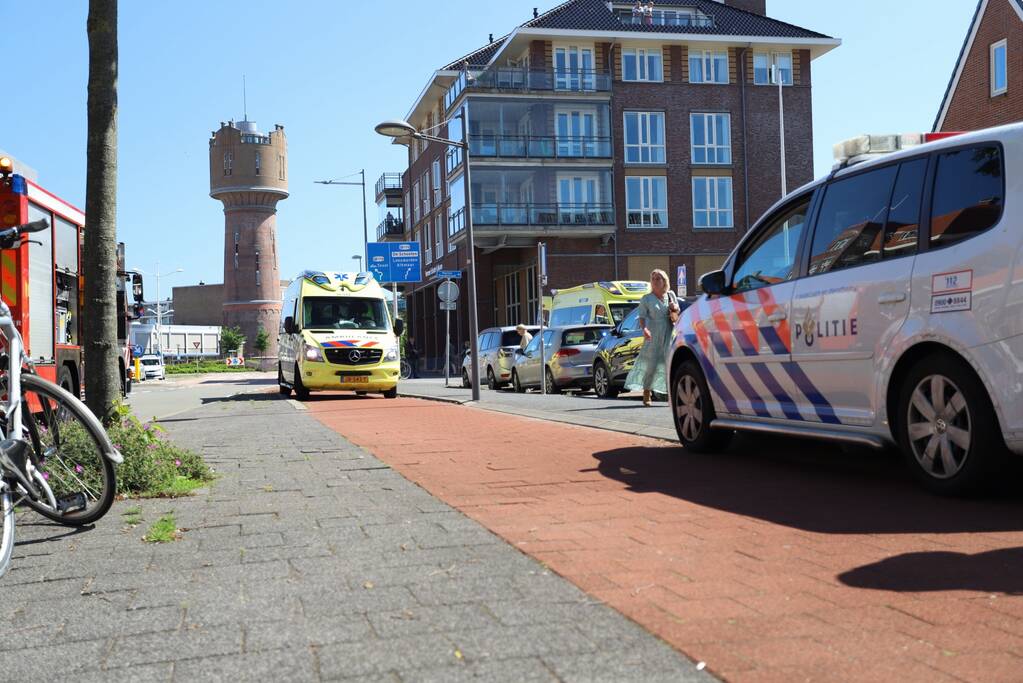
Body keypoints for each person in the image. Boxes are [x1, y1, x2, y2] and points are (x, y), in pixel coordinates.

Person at [624, 269, 679, 406]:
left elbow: (677, 311)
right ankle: (647, 392)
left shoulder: (670, 295)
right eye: (653, 279)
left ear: (664, 281)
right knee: (651, 365)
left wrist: (675, 307)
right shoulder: (646, 299)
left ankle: (671, 395)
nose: (655, 281)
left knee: (670, 364)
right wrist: (644, 329)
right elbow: (642, 317)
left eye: (658, 278)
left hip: (669, 333)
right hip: (653, 335)